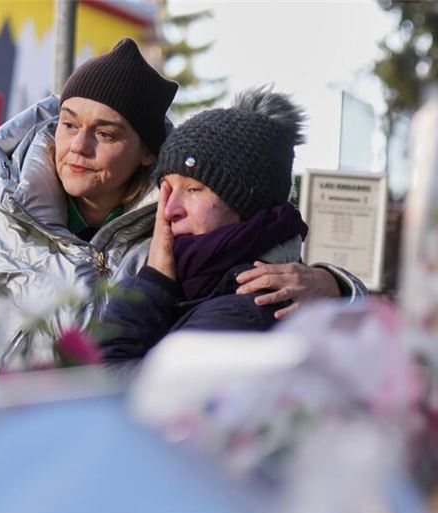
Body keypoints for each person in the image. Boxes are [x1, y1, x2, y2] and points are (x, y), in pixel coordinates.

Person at [0, 38, 364, 370]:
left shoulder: (184, 230)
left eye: (107, 133)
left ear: (147, 151)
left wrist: (335, 285)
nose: (78, 146)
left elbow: (264, 276)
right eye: (69, 124)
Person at [99, 87, 316, 363]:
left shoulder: (245, 310)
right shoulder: (193, 284)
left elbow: (108, 386)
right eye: (167, 189)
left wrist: (152, 284)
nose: (169, 209)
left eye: (193, 189)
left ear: (247, 203)